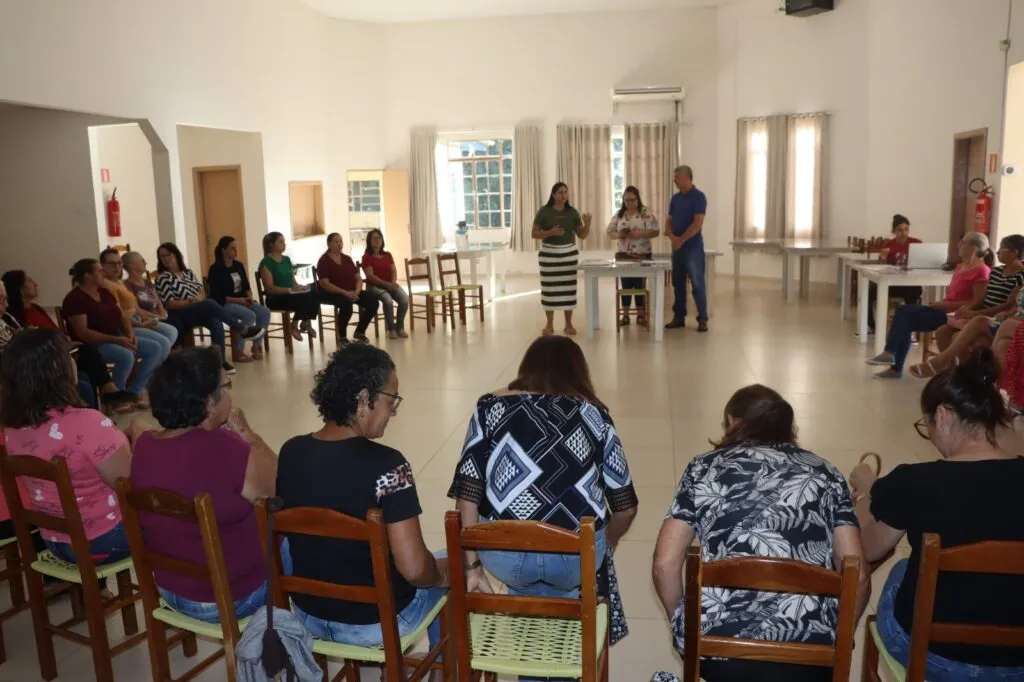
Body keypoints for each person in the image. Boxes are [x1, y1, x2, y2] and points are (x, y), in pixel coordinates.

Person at [651, 384, 870, 682]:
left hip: (720, 652)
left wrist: (683, 622)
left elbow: (665, 563)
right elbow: (858, 575)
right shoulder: (826, 473)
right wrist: (840, 638)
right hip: (810, 655)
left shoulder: (703, 469)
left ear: (731, 421)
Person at [850, 349, 1024, 681]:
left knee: (903, 568)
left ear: (942, 417)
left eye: (926, 425)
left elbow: (868, 550)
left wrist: (865, 496)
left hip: (937, 657)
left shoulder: (915, 481)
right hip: (1018, 663)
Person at [276, 344, 447, 672]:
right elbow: (413, 569)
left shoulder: (291, 451)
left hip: (309, 614)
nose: (394, 410)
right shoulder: (389, 466)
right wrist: (442, 574)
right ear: (364, 399)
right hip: (373, 624)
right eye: (392, 399)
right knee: (449, 571)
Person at [448, 337, 638, 614]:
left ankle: (527, 631)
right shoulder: (595, 413)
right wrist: (605, 543)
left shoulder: (489, 407)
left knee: (523, 578)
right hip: (575, 556)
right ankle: (568, 638)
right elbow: (626, 508)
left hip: (504, 553)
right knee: (568, 576)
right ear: (578, 371)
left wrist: (472, 567)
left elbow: (467, 496)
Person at [131, 346, 278, 622]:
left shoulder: (145, 444)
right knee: (293, 538)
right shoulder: (227, 447)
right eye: (226, 384)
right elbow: (277, 492)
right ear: (210, 402)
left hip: (170, 588)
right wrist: (247, 433)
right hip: (230, 596)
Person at [1, 328, 145, 565]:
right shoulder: (87, 422)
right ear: (57, 369)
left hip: (55, 540)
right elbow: (131, 485)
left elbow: (71, 451)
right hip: (103, 540)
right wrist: (140, 437)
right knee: (180, 520)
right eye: (71, 355)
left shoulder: (13, 429)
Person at [0, 272, 133, 410]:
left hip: (61, 351)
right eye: (29, 280)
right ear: (20, 288)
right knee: (88, 359)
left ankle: (101, 404)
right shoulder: (13, 318)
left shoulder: (36, 309)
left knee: (87, 362)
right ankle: (106, 394)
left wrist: (65, 341)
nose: (35, 283)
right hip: (45, 359)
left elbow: (55, 331)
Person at [868, 231, 993, 379]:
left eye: (963, 242)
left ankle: (892, 360)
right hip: (944, 308)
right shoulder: (960, 266)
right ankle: (891, 359)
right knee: (903, 313)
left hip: (954, 314)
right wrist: (942, 304)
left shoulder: (982, 271)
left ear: (972, 248)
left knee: (905, 318)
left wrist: (945, 304)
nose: (959, 245)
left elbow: (976, 302)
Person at [908, 234, 1024, 378]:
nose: (998, 251)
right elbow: (983, 298)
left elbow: (1007, 306)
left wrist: (973, 313)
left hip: (993, 316)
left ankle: (950, 369)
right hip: (985, 313)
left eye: (1002, 248)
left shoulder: (1020, 276)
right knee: (942, 331)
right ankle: (951, 375)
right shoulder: (996, 271)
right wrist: (969, 308)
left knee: (964, 334)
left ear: (1015, 253)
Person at [62, 258, 162, 408]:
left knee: (155, 348)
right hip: (94, 344)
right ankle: (116, 397)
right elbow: (83, 333)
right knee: (125, 355)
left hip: (116, 336)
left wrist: (129, 334)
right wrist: (117, 339)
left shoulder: (105, 292)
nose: (103, 273)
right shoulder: (74, 299)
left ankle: (136, 389)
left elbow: (121, 315)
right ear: (88, 276)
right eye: (99, 271)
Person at [155, 242, 265, 373]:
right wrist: (192, 301)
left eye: (168, 254)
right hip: (179, 312)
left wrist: (198, 300)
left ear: (176, 255)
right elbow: (169, 303)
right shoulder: (163, 278)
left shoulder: (188, 273)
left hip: (197, 309)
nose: (166, 258)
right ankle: (242, 329)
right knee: (209, 303)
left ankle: (220, 361)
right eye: (162, 256)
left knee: (214, 319)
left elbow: (201, 291)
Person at [532, 182, 592, 336]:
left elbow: (582, 235)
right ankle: (549, 325)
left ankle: (568, 324)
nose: (563, 195)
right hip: (549, 256)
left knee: (568, 289)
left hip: (568, 255)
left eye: (565, 192)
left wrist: (588, 223)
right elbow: (534, 234)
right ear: (553, 194)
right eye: (560, 192)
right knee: (549, 290)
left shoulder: (572, 212)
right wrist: (550, 232)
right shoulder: (544, 212)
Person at [99, 248, 177, 362]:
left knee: (171, 331)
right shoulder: (107, 286)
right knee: (164, 341)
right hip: (125, 325)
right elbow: (120, 315)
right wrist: (142, 324)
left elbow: (137, 308)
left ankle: (155, 363)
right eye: (112, 263)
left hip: (138, 319)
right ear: (102, 265)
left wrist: (155, 317)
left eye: (119, 263)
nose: (117, 267)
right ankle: (155, 368)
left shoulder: (119, 282)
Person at [206, 236, 271, 362]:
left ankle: (256, 346)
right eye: (232, 248)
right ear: (223, 250)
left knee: (264, 313)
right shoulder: (216, 269)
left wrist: (249, 296)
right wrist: (239, 301)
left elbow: (246, 286)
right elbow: (217, 296)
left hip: (242, 301)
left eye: (236, 248)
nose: (236, 250)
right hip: (225, 303)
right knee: (249, 315)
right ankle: (239, 351)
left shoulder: (238, 265)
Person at [607, 185, 660, 327]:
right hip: (624, 255)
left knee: (639, 285)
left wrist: (640, 233)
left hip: (641, 255)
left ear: (638, 199)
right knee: (626, 284)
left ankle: (640, 314)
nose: (630, 203)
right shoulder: (619, 215)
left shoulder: (645, 213)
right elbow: (609, 232)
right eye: (627, 200)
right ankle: (625, 315)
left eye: (632, 200)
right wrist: (620, 234)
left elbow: (656, 231)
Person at [665, 165, 708, 332]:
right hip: (677, 248)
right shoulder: (675, 199)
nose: (674, 180)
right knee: (678, 283)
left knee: (697, 284)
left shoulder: (699, 197)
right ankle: (679, 317)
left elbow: (697, 224)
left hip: (693, 248)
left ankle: (702, 318)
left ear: (686, 178)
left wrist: (680, 240)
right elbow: (669, 219)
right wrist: (671, 236)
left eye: (676, 177)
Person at [317, 233, 379, 343]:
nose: (339, 244)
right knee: (346, 305)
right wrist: (345, 293)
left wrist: (357, 291)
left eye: (341, 241)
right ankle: (342, 336)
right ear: (328, 244)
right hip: (333, 293)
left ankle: (360, 331)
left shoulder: (347, 258)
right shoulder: (323, 261)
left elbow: (358, 278)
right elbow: (325, 284)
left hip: (352, 291)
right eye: (336, 242)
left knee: (373, 301)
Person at [257, 232, 320, 343]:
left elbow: (292, 281)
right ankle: (294, 325)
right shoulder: (266, 262)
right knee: (303, 298)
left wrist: (300, 287)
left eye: (284, 241)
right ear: (271, 245)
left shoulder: (286, 259)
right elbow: (270, 288)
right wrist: (290, 290)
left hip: (291, 295)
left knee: (314, 293)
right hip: (276, 298)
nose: (284, 244)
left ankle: (305, 322)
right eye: (280, 242)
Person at [866, 214, 923, 334]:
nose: (904, 233)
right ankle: (872, 326)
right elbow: (882, 268)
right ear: (894, 231)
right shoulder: (889, 245)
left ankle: (909, 330)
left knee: (913, 293)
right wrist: (882, 257)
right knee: (869, 292)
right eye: (900, 230)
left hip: (910, 283)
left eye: (906, 229)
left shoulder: (916, 244)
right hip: (893, 284)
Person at [361, 229, 408, 340]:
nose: (377, 241)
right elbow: (371, 277)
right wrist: (388, 285)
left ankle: (399, 327)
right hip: (373, 287)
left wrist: (392, 283)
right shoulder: (367, 257)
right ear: (369, 241)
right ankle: (391, 329)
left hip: (389, 284)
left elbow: (393, 271)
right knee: (387, 300)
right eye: (374, 238)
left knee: (405, 299)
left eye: (379, 238)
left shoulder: (387, 255)